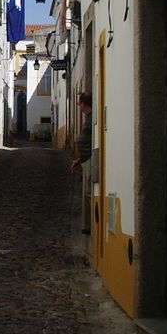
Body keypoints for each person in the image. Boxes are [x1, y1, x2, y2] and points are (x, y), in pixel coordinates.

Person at [70, 92, 92, 235]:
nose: (79, 106)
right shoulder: (88, 118)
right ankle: (88, 225)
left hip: (90, 160)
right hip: (85, 160)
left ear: (83, 104)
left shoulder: (92, 118)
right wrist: (79, 159)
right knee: (86, 193)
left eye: (79, 104)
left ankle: (91, 226)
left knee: (89, 193)